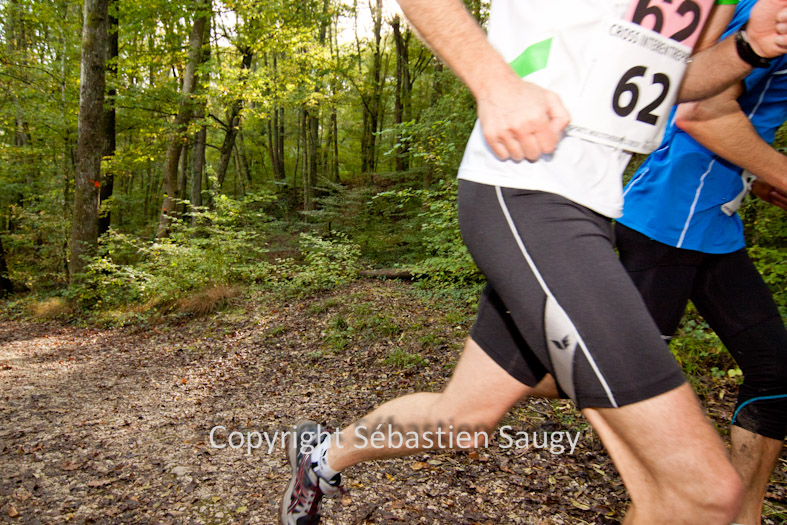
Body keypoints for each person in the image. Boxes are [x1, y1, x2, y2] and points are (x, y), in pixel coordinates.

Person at [280, 1, 787, 523]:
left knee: (464, 418)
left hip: (592, 207)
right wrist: (492, 81)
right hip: (524, 189)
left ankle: (320, 457)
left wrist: (748, 47)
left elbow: (678, 81)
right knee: (703, 493)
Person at [615, 1, 787, 523]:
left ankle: (743, 517)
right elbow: (697, 111)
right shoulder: (765, 13)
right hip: (666, 224)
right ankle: (492, 377)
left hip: (713, 228)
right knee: (628, 381)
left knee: (777, 374)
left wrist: (758, 177)